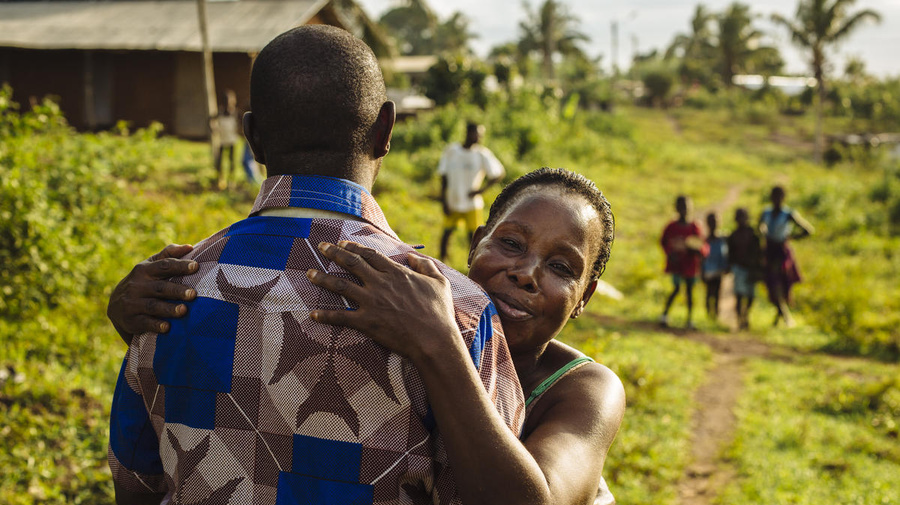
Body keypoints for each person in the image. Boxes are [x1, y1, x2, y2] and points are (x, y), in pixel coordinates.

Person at [106, 25, 524, 505]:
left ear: (253, 139)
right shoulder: (456, 314)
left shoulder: (161, 293)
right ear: (385, 131)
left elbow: (135, 484)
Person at [109, 168, 626, 505]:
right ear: (475, 245)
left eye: (561, 266)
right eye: (511, 243)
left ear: (585, 296)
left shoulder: (585, 390)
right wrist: (144, 321)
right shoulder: (402, 312)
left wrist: (440, 344)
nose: (526, 272)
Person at [438, 122, 505, 262]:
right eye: (477, 134)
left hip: (472, 203)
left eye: (481, 135)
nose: (479, 137)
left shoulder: (482, 154)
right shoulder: (452, 151)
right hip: (453, 200)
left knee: (473, 236)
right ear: (468, 133)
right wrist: (443, 199)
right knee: (447, 232)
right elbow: (443, 176)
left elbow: (498, 173)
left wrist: (480, 190)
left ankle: (472, 263)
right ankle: (441, 260)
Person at [759, 185, 814, 327]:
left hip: (781, 253)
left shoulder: (788, 214)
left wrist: (791, 237)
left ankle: (784, 316)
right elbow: (759, 227)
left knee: (778, 284)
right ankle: (782, 317)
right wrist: (763, 232)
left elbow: (808, 230)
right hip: (769, 251)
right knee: (771, 284)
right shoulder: (766, 213)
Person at [660, 195, 707, 329]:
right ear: (676, 208)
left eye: (686, 207)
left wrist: (699, 251)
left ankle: (689, 320)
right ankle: (664, 315)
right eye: (681, 207)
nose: (684, 210)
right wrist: (670, 254)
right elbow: (663, 242)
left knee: (690, 291)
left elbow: (702, 245)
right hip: (676, 265)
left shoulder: (694, 227)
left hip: (690, 265)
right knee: (676, 288)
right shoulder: (671, 227)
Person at [727, 207, 762, 330]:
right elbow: (730, 254)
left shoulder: (754, 234)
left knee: (751, 296)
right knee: (739, 295)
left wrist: (758, 268)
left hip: (751, 269)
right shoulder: (733, 235)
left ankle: (745, 315)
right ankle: (740, 321)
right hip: (739, 268)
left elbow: (759, 252)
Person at [701, 212, 728, 320]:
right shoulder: (704, 240)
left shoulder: (723, 239)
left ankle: (715, 317)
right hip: (708, 270)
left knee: (717, 294)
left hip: (719, 270)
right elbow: (701, 258)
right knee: (709, 294)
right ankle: (708, 316)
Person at [215, 89, 240, 189]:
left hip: (232, 140)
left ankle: (231, 181)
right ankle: (220, 180)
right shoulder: (220, 113)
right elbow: (210, 120)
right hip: (222, 140)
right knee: (220, 161)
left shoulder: (235, 113)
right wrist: (214, 130)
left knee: (232, 161)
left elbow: (241, 123)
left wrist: (238, 131)